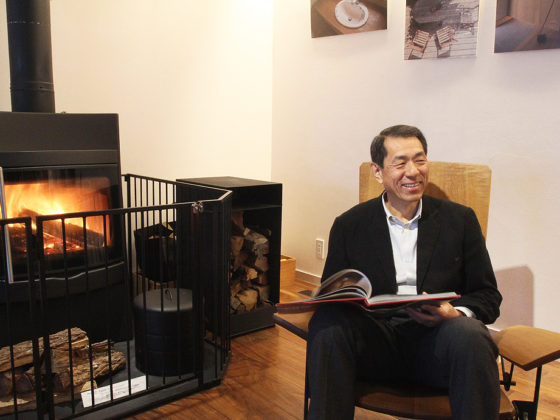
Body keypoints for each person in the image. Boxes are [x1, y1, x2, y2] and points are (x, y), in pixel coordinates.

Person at [306, 124, 502, 420]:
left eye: (420, 160)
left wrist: (455, 313)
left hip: (437, 343)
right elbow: (333, 296)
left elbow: (488, 296)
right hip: (375, 345)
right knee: (327, 322)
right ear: (377, 172)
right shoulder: (349, 225)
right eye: (400, 163)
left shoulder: (460, 220)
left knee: (470, 334)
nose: (413, 172)